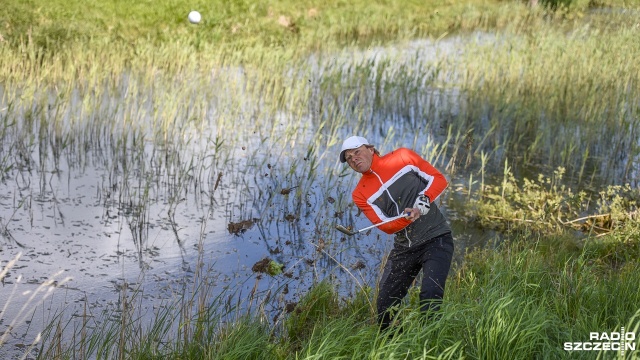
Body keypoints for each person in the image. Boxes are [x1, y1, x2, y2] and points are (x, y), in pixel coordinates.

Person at [339, 135, 455, 330]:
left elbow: (439, 179)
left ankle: (430, 343)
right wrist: (405, 218)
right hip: (405, 249)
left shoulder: (402, 157)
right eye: (349, 159)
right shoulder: (360, 193)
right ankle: (393, 348)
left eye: (357, 152)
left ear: (370, 148)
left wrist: (422, 202)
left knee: (430, 294)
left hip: (436, 238)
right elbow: (384, 225)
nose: (354, 159)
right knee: (385, 305)